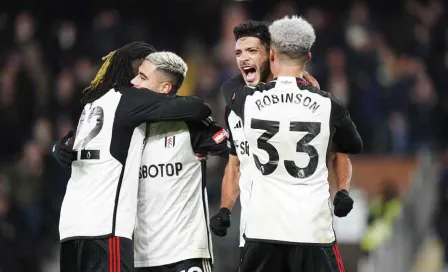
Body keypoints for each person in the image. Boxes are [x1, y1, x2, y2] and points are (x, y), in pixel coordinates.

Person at [54, 42, 212, 272]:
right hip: (105, 228)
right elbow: (199, 108)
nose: (142, 79)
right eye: (143, 70)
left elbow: (70, 146)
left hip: (70, 228)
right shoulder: (129, 100)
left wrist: (57, 147)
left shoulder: (92, 105)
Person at [221, 16, 362, 272]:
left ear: (271, 54)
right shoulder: (328, 104)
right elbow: (350, 148)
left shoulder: (246, 103)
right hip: (311, 231)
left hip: (261, 230)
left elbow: (229, 88)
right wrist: (342, 190)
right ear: (308, 57)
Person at [130, 51, 227, 272]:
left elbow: (234, 149)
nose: (134, 82)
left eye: (143, 77)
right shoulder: (129, 128)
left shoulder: (190, 125)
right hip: (141, 258)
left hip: (185, 254)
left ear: (165, 88)